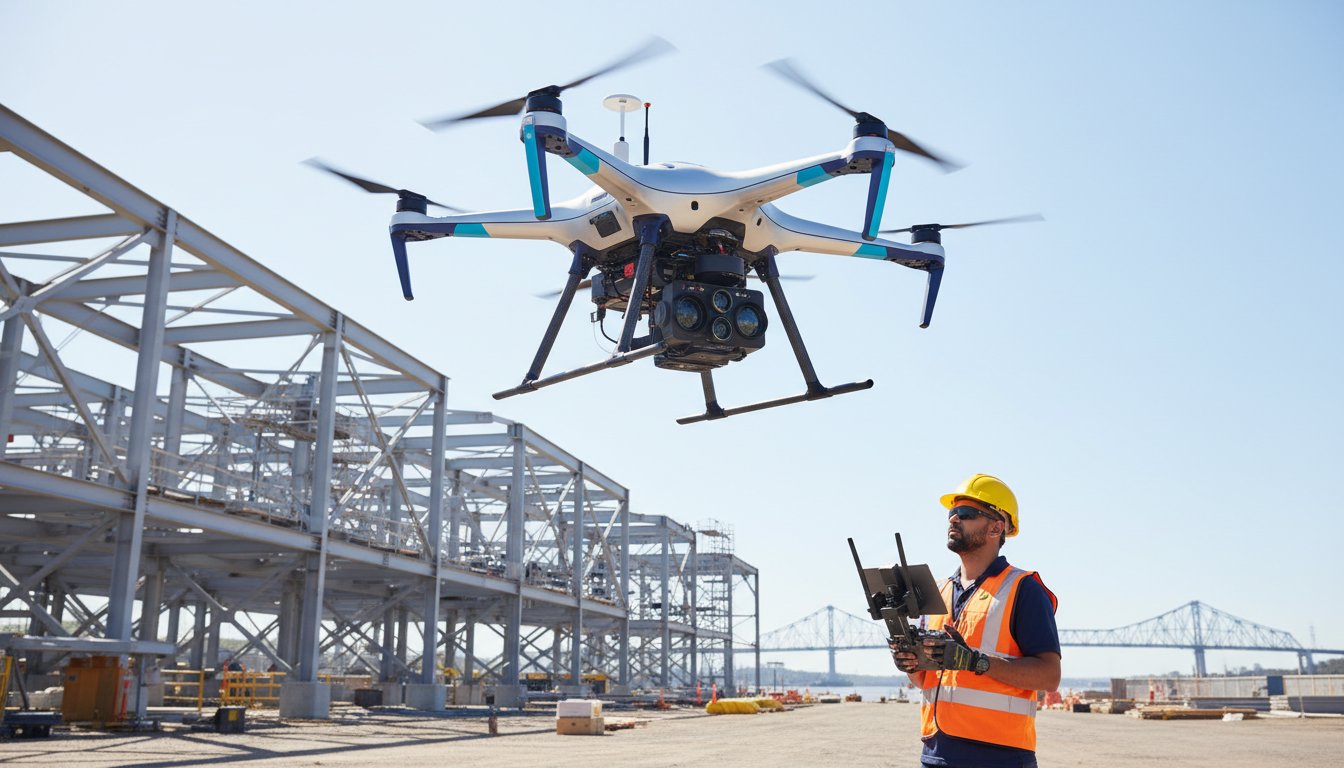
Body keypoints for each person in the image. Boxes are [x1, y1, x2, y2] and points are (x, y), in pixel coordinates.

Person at [892, 474, 1061, 768]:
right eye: (951, 513)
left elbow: (1049, 676)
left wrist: (976, 662)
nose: (954, 520)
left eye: (966, 514)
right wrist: (910, 664)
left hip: (999, 757)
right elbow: (927, 681)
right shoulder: (939, 591)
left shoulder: (1023, 589)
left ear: (997, 526)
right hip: (936, 752)